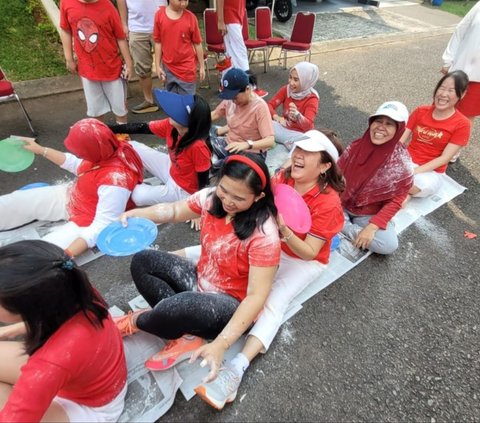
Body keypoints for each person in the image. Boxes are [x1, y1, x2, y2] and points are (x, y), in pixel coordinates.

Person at [193, 130, 345, 410]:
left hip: (302, 259)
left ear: (324, 166)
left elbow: (310, 251)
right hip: (270, 244)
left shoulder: (329, 202)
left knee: (272, 301)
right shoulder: (283, 178)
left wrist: (284, 231)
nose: (298, 155)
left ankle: (236, 369)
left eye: (308, 153)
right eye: (297, 148)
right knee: (215, 250)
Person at [114, 153, 280, 379]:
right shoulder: (211, 199)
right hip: (202, 281)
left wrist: (221, 344)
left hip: (230, 306)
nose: (228, 201)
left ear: (259, 197)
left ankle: (137, 321)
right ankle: (184, 335)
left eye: (239, 198)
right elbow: (173, 211)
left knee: (181, 306)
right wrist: (140, 214)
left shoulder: (264, 235)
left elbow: (256, 297)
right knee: (143, 260)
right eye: (224, 189)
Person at [0, 240, 127, 422]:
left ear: (29, 309)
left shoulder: (51, 360)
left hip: (90, 408)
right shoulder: (72, 287)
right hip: (89, 381)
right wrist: (9, 331)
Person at [0, 119, 143, 258]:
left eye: (80, 151)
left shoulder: (115, 181)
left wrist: (68, 253)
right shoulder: (106, 148)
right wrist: (40, 150)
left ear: (92, 150)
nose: (78, 154)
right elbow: (75, 164)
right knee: (12, 202)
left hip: (87, 220)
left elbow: (102, 224)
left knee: (32, 256)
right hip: (71, 196)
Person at [109, 89, 212, 206]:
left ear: (187, 123)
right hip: (172, 169)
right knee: (131, 146)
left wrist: (196, 205)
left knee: (137, 196)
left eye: (177, 112)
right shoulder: (171, 125)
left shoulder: (198, 146)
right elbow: (143, 128)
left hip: (182, 190)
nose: (171, 112)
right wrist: (110, 128)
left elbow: (203, 179)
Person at [338, 101, 414, 255]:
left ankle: (340, 226)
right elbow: (335, 176)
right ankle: (344, 225)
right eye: (378, 121)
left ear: (399, 130)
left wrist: (372, 227)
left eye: (389, 124)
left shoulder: (401, 163)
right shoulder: (355, 147)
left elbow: (397, 200)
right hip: (340, 203)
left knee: (388, 245)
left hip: (368, 213)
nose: (381, 127)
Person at [59, 0, 133, 123]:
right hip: (87, 70)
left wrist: (129, 64)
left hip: (112, 68)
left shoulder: (107, 7)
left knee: (120, 108)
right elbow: (65, 29)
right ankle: (99, 136)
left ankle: (122, 135)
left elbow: (120, 37)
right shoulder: (66, 3)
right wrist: (69, 58)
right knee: (95, 110)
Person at [400, 71, 471, 199]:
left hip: (430, 172)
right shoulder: (421, 111)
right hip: (407, 160)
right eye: (442, 88)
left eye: (451, 90)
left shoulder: (462, 124)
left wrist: (412, 172)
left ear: (462, 94)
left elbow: (444, 159)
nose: (443, 94)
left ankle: (401, 191)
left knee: (418, 185)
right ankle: (402, 194)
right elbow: (400, 141)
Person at [210, 68, 274, 167]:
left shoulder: (260, 107)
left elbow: (270, 140)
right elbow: (216, 114)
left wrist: (246, 144)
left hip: (251, 153)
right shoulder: (231, 100)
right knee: (200, 141)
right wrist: (194, 121)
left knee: (229, 168)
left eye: (235, 97)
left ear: (247, 89)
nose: (233, 101)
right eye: (230, 97)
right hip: (230, 145)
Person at [441, 0, 480, 158]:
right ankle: (432, 141)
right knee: (443, 104)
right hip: (459, 68)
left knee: (466, 115)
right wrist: (448, 60)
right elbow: (461, 30)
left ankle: (452, 151)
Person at [117, 0, 166, 114]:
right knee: (142, 68)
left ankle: (172, 98)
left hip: (163, 23)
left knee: (169, 63)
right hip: (137, 27)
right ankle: (149, 101)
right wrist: (124, 23)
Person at [153, 0, 205, 95]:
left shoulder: (191, 18)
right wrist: (157, 65)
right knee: (172, 100)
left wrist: (202, 66)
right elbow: (158, 42)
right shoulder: (159, 15)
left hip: (187, 68)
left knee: (188, 102)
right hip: (168, 67)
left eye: (186, 0)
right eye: (180, 0)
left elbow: (197, 43)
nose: (184, 3)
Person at [268, 62, 320, 149]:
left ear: (306, 81)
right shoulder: (286, 89)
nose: (291, 83)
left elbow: (308, 125)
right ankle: (288, 145)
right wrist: (277, 117)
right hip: (285, 127)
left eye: (296, 80)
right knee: (262, 123)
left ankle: (290, 149)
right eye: (290, 77)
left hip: (300, 134)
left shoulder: (312, 98)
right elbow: (269, 105)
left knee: (306, 144)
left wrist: (298, 116)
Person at [216, 0, 249, 73]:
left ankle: (229, 81)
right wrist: (220, 20)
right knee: (240, 52)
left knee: (232, 55)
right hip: (230, 15)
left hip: (237, 14)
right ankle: (247, 81)